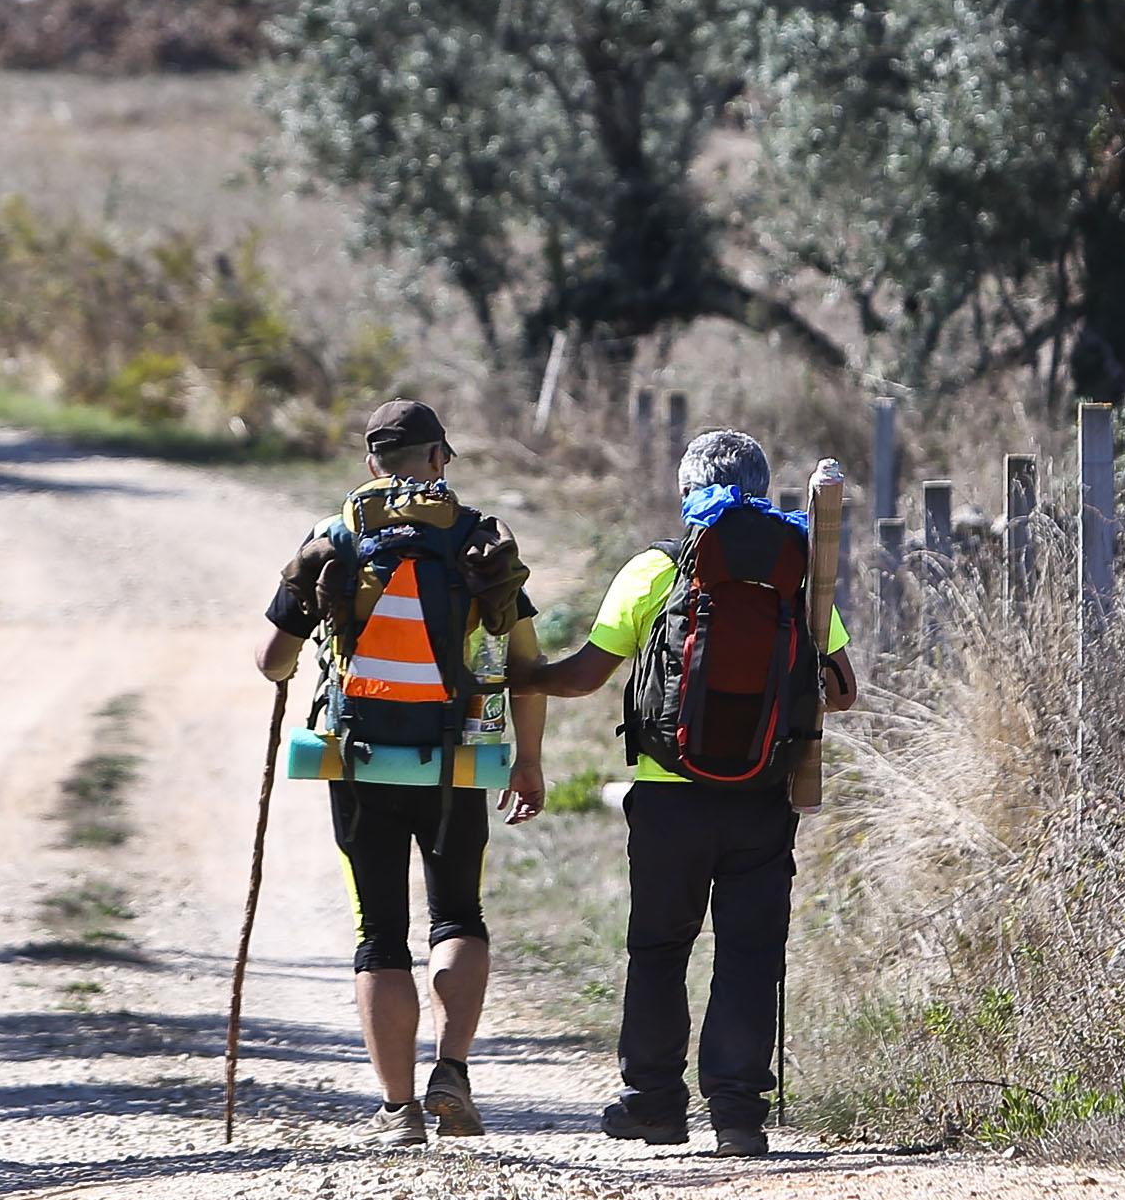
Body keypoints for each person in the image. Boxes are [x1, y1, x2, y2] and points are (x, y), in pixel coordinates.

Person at [515, 428, 857, 1156]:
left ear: (685, 494)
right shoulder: (798, 571)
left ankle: (654, 1104)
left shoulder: (654, 569)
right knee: (747, 952)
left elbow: (585, 674)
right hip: (762, 794)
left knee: (659, 946)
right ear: (764, 491)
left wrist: (522, 676)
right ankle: (737, 1116)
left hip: (669, 792)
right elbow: (843, 689)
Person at [251, 397, 548, 1147]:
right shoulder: (481, 538)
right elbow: (525, 668)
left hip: (358, 762)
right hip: (456, 758)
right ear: (438, 458)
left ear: (370, 463)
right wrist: (529, 762)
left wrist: (311, 621)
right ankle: (450, 1071)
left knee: (379, 930)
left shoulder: (333, 538)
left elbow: (271, 662)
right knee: (457, 915)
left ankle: (396, 1109)